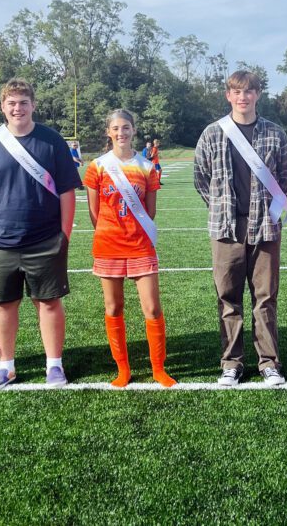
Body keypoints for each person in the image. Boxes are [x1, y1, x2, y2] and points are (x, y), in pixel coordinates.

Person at [0, 78, 81, 388]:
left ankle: (54, 366)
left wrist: (64, 234)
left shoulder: (51, 140)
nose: (18, 108)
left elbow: (68, 190)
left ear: (33, 105)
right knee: (3, 304)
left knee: (49, 302)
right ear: (3, 107)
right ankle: (6, 367)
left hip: (44, 240)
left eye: (23, 102)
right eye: (12, 103)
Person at [194, 70, 287, 386]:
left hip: (265, 227)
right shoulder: (213, 133)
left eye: (249, 91)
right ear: (228, 95)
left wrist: (271, 211)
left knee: (265, 298)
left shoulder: (274, 133)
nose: (243, 97)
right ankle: (232, 363)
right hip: (226, 229)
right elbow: (201, 178)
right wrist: (222, 209)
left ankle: (269, 362)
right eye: (237, 92)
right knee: (228, 297)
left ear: (258, 95)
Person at [84, 109, 176, 388]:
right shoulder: (97, 166)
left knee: (152, 308)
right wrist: (112, 229)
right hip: (108, 245)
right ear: (108, 132)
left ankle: (158, 369)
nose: (121, 132)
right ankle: (123, 369)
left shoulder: (147, 167)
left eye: (126, 127)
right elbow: (93, 212)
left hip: (140, 246)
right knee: (114, 307)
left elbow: (150, 211)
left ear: (134, 130)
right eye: (115, 128)